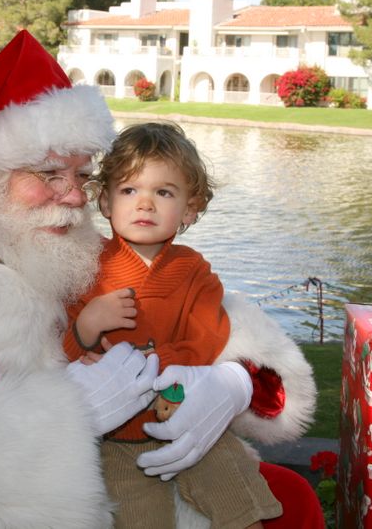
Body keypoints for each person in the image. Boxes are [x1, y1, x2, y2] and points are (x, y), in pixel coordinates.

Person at [0, 30, 323, 528]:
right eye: (50, 175)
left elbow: (197, 317)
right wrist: (69, 412)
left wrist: (234, 382)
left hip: (127, 462)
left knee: (290, 499)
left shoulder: (77, 249)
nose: (74, 198)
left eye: (80, 176)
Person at [64, 121, 284, 528]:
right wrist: (86, 328)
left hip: (190, 420)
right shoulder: (85, 267)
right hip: (114, 437)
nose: (144, 204)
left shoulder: (193, 271)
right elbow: (58, 353)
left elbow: (206, 340)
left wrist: (154, 362)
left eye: (163, 192)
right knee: (135, 515)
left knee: (236, 494)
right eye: (129, 190)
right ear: (106, 202)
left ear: (190, 208)